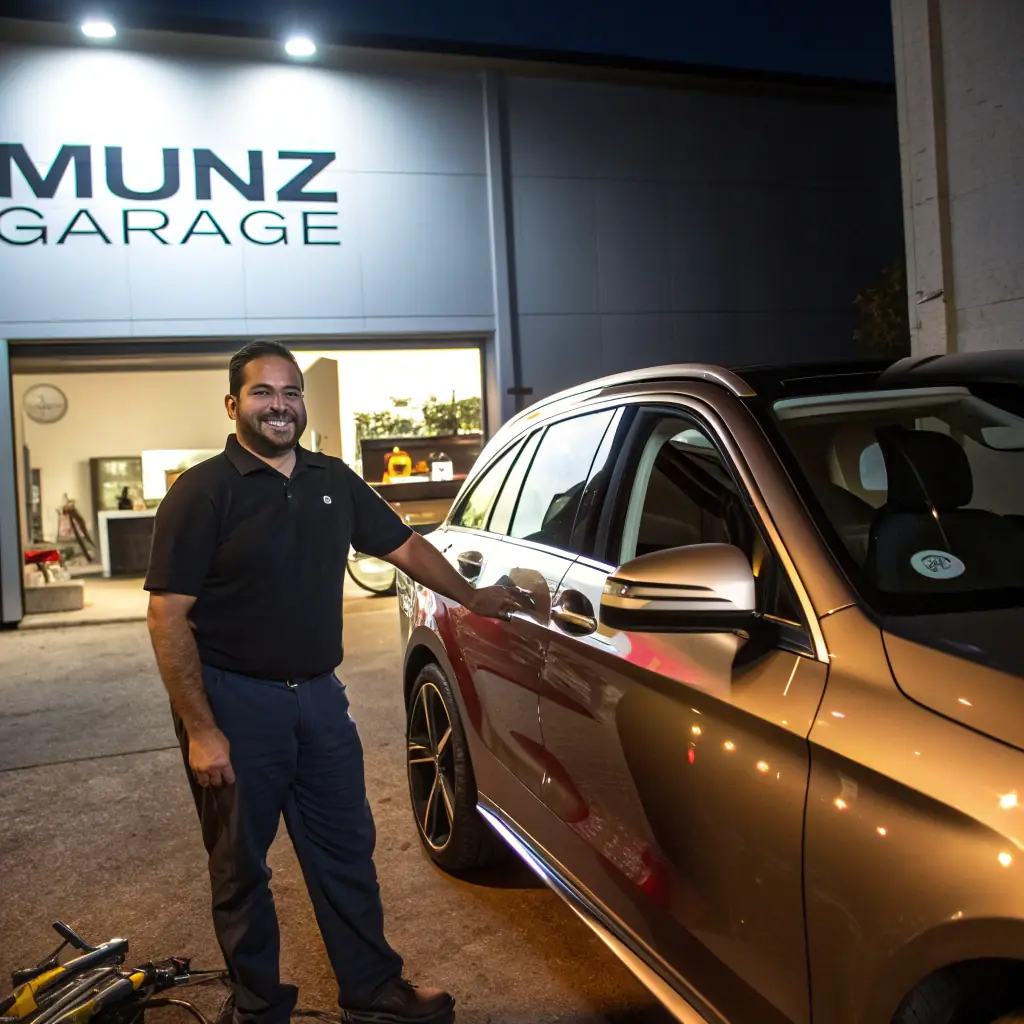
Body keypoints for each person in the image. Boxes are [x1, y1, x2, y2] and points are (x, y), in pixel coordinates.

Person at [144, 341, 531, 1024]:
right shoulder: (202, 492)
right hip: (237, 702)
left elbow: (404, 546)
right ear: (233, 405)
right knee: (242, 869)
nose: (279, 405)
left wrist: (474, 597)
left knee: (346, 850)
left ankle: (373, 992)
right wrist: (203, 730)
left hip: (321, 698)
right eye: (263, 393)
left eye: (290, 392)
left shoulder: (333, 478)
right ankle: (259, 1008)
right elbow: (167, 616)